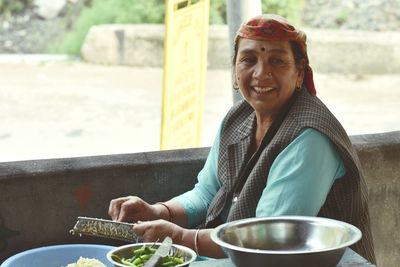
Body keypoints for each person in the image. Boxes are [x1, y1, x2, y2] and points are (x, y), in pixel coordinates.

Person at [108, 14, 376, 263]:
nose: (261, 73)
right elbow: (208, 192)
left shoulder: (310, 137)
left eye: (277, 61)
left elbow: (265, 240)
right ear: (235, 71)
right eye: (248, 60)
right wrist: (160, 211)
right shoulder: (238, 117)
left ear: (300, 73)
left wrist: (178, 237)